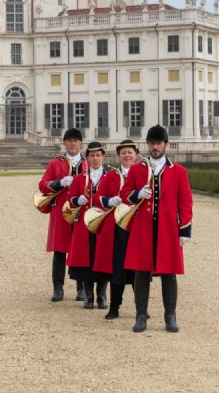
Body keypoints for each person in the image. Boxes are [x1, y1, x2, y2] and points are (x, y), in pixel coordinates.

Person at [120, 125, 193, 333]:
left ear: (166, 145)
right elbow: (125, 194)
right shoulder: (137, 169)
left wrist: (185, 230)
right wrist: (136, 195)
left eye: (158, 143)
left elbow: (185, 202)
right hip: (143, 228)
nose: (155, 147)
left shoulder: (178, 171)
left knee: (169, 273)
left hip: (168, 230)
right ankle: (141, 316)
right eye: (151, 143)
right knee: (141, 273)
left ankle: (170, 316)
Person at [91, 139, 139, 319]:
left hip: (136, 228)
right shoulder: (111, 176)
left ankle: (140, 308)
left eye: (130, 152)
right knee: (117, 268)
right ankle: (114, 307)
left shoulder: (144, 174)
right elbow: (97, 198)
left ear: (136, 154)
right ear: (119, 156)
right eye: (123, 153)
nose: (127, 155)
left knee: (139, 270)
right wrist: (108, 201)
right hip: (117, 228)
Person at [38, 128, 86, 302]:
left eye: (76, 140)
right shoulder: (56, 163)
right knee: (59, 251)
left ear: (80, 143)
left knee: (80, 249)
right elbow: (43, 185)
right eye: (70, 140)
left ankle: (81, 287)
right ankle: (58, 288)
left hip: (81, 211)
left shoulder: (87, 164)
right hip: (61, 210)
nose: (73, 144)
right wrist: (59, 182)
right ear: (64, 143)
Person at [68, 141, 108, 309]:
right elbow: (70, 200)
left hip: (103, 223)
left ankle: (102, 294)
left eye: (98, 155)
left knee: (103, 258)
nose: (95, 158)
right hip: (84, 223)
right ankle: (88, 295)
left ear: (103, 157)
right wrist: (78, 200)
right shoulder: (79, 178)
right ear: (88, 158)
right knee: (86, 259)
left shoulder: (110, 177)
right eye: (92, 156)